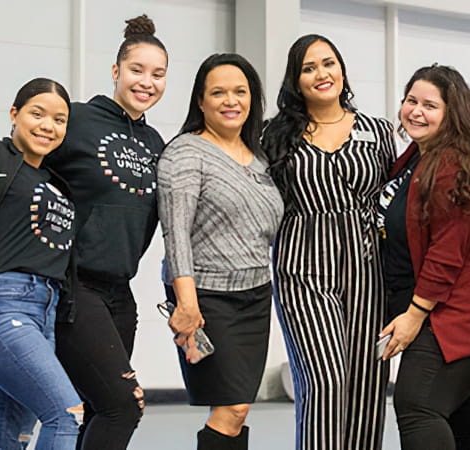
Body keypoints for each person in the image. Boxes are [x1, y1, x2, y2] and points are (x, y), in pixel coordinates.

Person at [0, 15, 169, 449]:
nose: (147, 82)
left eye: (158, 74)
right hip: (68, 289)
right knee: (113, 405)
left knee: (57, 416)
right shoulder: (80, 120)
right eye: (137, 70)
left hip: (114, 292)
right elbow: (16, 154)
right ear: (116, 71)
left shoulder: (155, 143)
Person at [261, 34, 395, 450]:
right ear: (296, 80)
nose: (322, 74)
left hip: (369, 266)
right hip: (303, 264)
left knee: (367, 382)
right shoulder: (274, 135)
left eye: (328, 63)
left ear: (342, 69)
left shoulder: (379, 131)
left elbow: (396, 198)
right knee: (325, 377)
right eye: (309, 67)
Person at [377, 64, 470, 450]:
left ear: (451, 113)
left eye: (429, 105)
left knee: (418, 407)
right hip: (440, 309)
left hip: (459, 313)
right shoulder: (414, 158)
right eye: (410, 101)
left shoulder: (451, 163)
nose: (416, 111)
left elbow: (447, 251)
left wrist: (414, 315)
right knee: (467, 427)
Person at [158, 53, 283, 450]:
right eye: (218, 92)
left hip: (256, 295)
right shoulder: (184, 153)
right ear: (200, 101)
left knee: (240, 407)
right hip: (207, 298)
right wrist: (187, 305)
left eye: (240, 92)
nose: (231, 101)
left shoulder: (261, 157)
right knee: (230, 409)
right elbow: (175, 234)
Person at [0, 78, 81, 449]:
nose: (47, 126)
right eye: (36, 114)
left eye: (59, 119)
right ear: (14, 114)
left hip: (44, 309)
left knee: (12, 436)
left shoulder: (55, 181)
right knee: (66, 414)